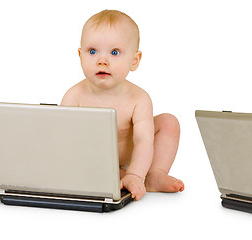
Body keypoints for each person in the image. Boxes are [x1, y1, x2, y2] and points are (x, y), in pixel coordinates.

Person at [61, 10, 184, 200]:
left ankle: (154, 175)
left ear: (134, 61)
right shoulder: (74, 96)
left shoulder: (139, 98)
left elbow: (143, 140)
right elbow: (65, 142)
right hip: (93, 163)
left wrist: (136, 174)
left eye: (115, 52)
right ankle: (114, 176)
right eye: (92, 51)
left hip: (134, 160)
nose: (102, 60)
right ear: (80, 55)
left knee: (169, 122)